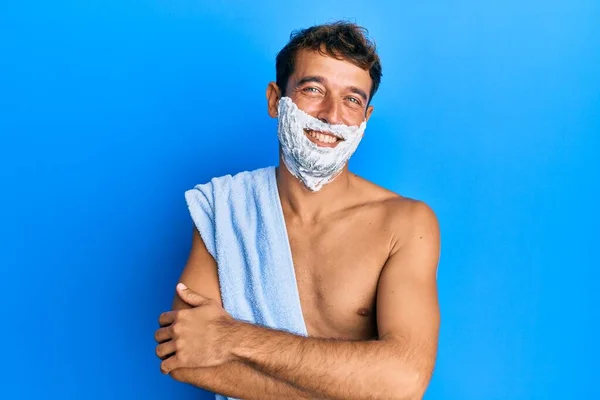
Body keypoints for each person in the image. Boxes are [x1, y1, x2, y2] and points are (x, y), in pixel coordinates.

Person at [154, 21, 440, 400]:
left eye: (352, 99)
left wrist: (232, 337)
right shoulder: (226, 207)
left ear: (366, 119)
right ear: (275, 100)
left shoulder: (405, 224)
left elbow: (404, 382)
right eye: (313, 89)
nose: (331, 114)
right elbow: (183, 355)